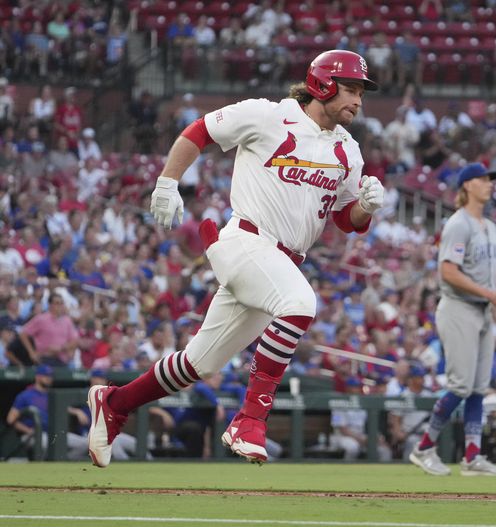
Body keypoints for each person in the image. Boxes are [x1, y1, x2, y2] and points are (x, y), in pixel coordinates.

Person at [86, 49, 384, 468]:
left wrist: (366, 208)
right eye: (351, 89)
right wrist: (168, 182)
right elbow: (199, 131)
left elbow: (344, 220)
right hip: (246, 242)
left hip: (280, 262)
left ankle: (115, 402)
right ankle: (249, 419)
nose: (358, 100)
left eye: (361, 92)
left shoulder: (348, 150)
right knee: (300, 305)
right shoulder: (268, 115)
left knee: (197, 364)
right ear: (323, 85)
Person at [409, 162, 496, 477]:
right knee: (461, 385)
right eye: (483, 180)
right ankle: (424, 447)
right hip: (458, 307)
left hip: (481, 309)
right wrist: (488, 293)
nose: (489, 184)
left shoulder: (490, 227)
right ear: (467, 186)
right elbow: (448, 272)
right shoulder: (458, 223)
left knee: (479, 387)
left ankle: (472, 456)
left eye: (490, 180)